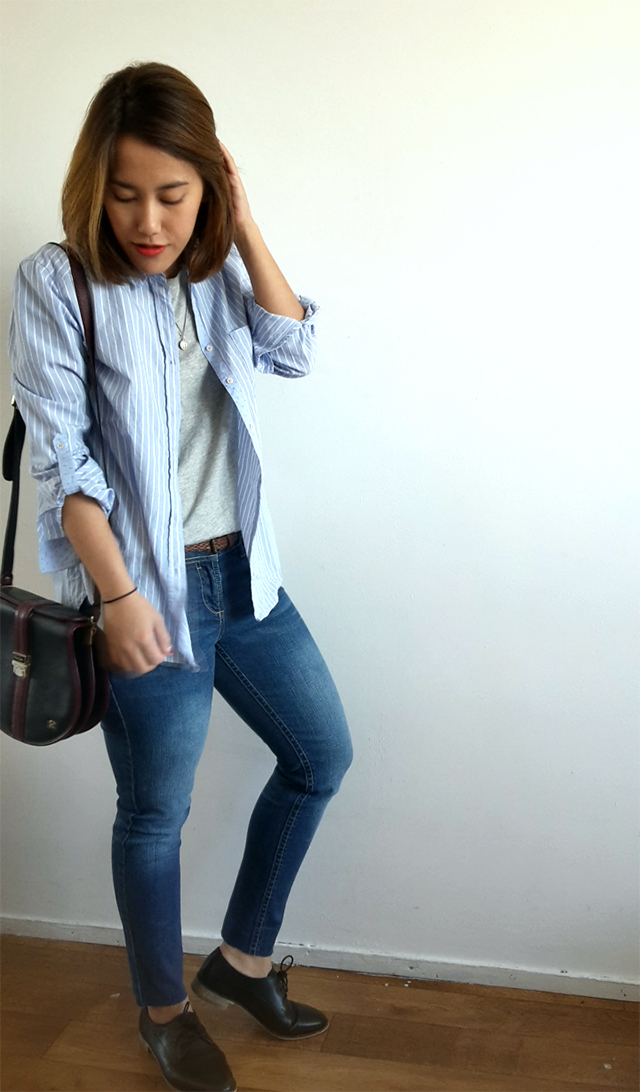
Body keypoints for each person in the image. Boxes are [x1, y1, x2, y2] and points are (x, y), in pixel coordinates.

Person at [9, 61, 352, 1092]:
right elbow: (63, 465)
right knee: (155, 813)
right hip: (144, 591)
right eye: (125, 194)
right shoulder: (57, 281)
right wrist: (116, 600)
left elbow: (294, 349)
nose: (148, 220)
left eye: (174, 193)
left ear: (209, 183)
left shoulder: (215, 271)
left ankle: (241, 962)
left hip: (246, 581)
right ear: (94, 186)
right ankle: (164, 1013)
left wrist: (241, 225)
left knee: (319, 756)